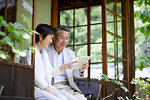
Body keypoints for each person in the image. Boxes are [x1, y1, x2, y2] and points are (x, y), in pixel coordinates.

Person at [26, 24, 76, 100]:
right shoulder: (30, 52)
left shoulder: (44, 53)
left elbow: (51, 72)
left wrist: (64, 67)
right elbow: (34, 75)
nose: (51, 41)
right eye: (50, 38)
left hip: (45, 88)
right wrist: (47, 89)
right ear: (41, 37)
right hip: (34, 89)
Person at [46, 25, 89, 100]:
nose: (65, 41)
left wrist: (81, 70)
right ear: (54, 38)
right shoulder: (45, 51)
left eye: (67, 38)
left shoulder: (70, 53)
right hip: (53, 86)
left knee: (83, 99)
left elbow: (74, 73)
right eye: (62, 38)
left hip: (68, 87)